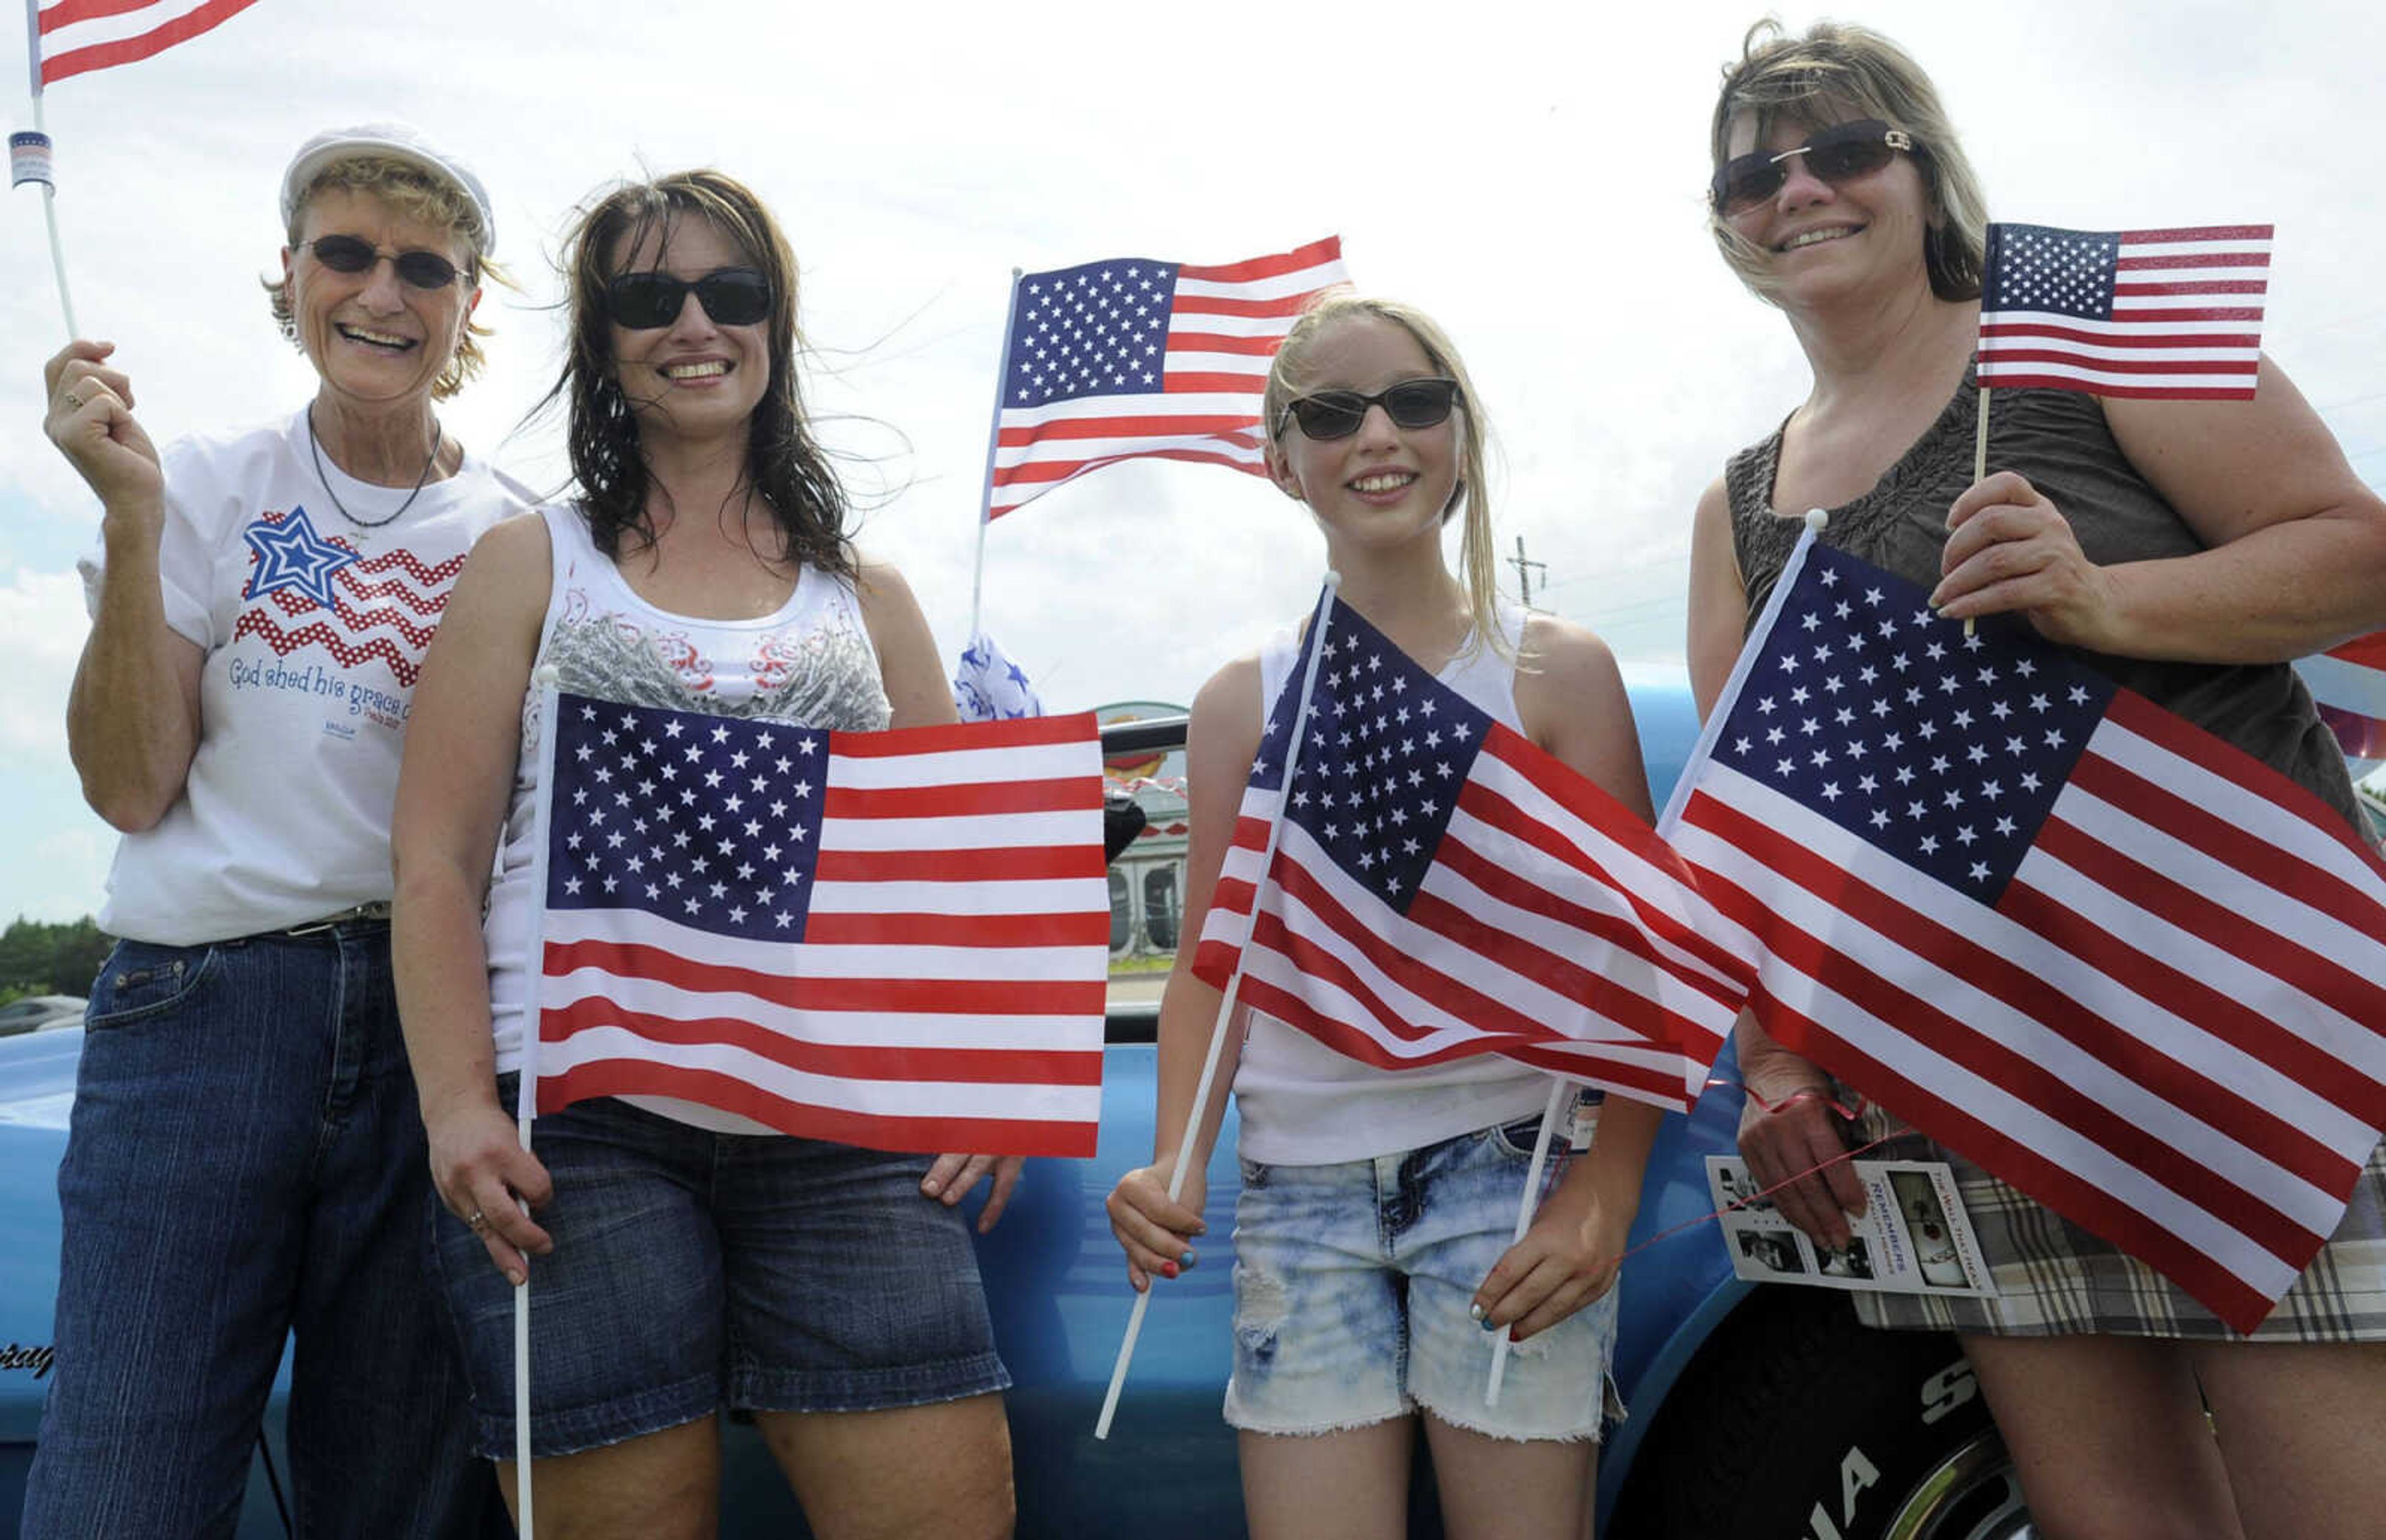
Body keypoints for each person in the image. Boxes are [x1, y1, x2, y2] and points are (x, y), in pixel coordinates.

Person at [1690, 22, 2386, 1540]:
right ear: (1727, 221)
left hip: (2237, 1022)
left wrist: (2109, 602)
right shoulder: (1740, 500)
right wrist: (1781, 1062)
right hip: (1974, 1076)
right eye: (1755, 173)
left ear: (1926, 169)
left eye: (1846, 149)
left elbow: (2354, 546)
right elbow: (1753, 847)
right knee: (2114, 1517)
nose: (1799, 188)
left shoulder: (2096, 326)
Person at [390, 168, 1016, 1540]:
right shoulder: (526, 563)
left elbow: (948, 875)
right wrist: (455, 1108)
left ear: (775, 325)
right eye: (647, 294)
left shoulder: (873, 597)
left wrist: (988, 1086)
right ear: (601, 339)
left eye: (731, 292)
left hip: (848, 1129)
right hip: (582, 1129)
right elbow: (436, 862)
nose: (694, 322)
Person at [27, 123, 524, 1536]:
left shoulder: (523, 534)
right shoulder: (189, 484)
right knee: (122, 1489)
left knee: (407, 1503)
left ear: (468, 301)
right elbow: (130, 788)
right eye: (346, 252)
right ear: (292, 275)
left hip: (437, 1045)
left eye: (423, 265)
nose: (382, 289)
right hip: (201, 1013)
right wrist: (130, 527)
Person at [1105, 294, 1665, 1539]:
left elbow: (1646, 961)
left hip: (1511, 1175)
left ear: (1460, 432)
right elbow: (1215, 960)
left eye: (1416, 402)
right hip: (1300, 1188)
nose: (1379, 436)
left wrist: (1606, 1195)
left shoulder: (1552, 673)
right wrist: (1173, 1156)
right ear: (1280, 456)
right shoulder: (1242, 698)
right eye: (1331, 411)